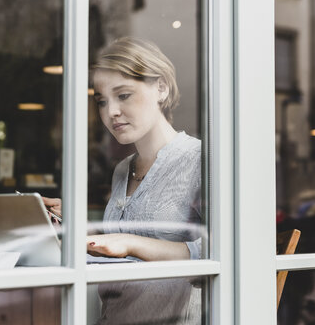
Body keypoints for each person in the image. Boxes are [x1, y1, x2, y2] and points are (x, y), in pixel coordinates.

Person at [43, 37, 203, 324]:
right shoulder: (123, 169)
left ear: (161, 88)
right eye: (102, 101)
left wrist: (132, 242)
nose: (111, 112)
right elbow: (121, 249)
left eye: (124, 95)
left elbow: (224, 252)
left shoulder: (200, 159)